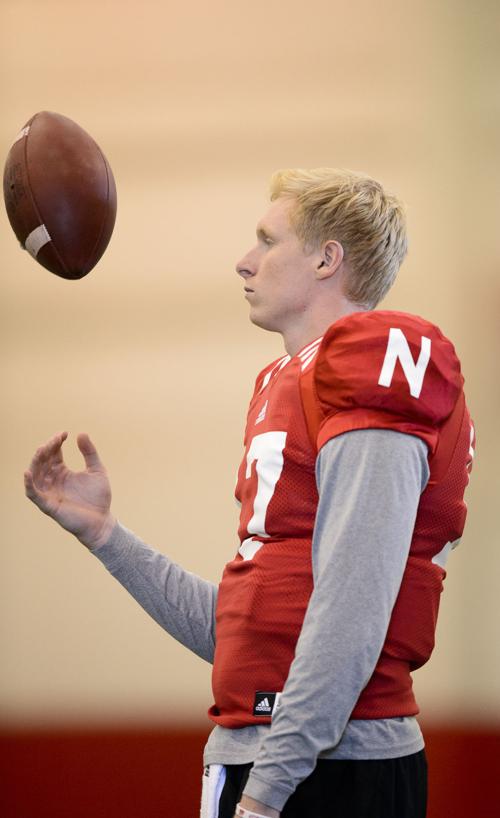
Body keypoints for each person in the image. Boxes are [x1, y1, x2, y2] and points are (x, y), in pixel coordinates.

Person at [25, 168, 475, 818]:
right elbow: (246, 630)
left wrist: (266, 791)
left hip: (327, 769)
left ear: (327, 258)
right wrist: (105, 535)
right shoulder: (287, 381)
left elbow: (353, 606)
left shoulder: (374, 362)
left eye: (266, 241)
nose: (244, 262)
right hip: (264, 756)